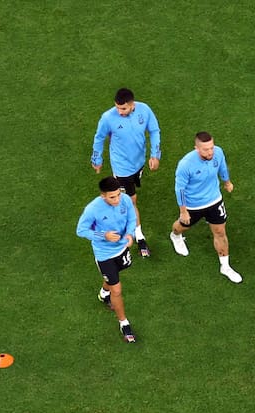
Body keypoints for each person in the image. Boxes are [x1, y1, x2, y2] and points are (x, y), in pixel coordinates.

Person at [90, 88, 160, 258]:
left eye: (123, 109)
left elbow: (154, 130)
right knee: (130, 200)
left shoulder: (144, 110)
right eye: (117, 108)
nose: (119, 112)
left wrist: (155, 154)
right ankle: (138, 236)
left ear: (132, 105)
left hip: (139, 163)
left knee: (130, 197)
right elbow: (99, 137)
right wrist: (97, 159)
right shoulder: (108, 118)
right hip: (121, 168)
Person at [170, 132, 240, 283]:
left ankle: (225, 266)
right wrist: (183, 211)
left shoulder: (218, 152)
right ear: (196, 148)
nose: (210, 152)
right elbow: (179, 189)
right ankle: (175, 236)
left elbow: (222, 167)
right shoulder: (186, 164)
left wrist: (227, 182)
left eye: (211, 148)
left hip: (214, 200)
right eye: (205, 149)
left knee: (220, 232)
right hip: (193, 205)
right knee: (182, 226)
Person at [76, 177, 138, 343]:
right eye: (112, 197)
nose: (117, 199)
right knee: (116, 290)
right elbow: (80, 230)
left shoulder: (124, 200)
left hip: (122, 249)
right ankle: (124, 323)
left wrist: (130, 233)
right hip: (104, 255)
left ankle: (104, 293)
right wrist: (103, 236)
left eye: (118, 195)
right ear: (103, 196)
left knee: (114, 277)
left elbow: (132, 218)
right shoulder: (93, 209)